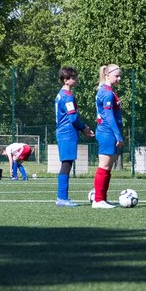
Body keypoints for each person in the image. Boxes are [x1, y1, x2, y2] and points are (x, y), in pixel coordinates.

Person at [54, 66, 94, 207]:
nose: (76, 79)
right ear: (65, 80)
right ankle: (62, 198)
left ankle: (62, 197)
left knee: (67, 164)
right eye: (73, 77)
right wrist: (85, 128)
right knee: (66, 165)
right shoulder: (67, 96)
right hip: (67, 133)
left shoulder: (61, 94)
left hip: (64, 132)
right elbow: (73, 118)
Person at [92, 64, 125, 208]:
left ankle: (102, 198)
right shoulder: (106, 93)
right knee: (104, 166)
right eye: (116, 75)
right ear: (107, 75)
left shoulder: (106, 91)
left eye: (119, 75)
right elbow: (109, 117)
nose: (119, 78)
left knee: (107, 167)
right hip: (107, 133)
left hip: (107, 132)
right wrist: (118, 135)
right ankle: (98, 200)